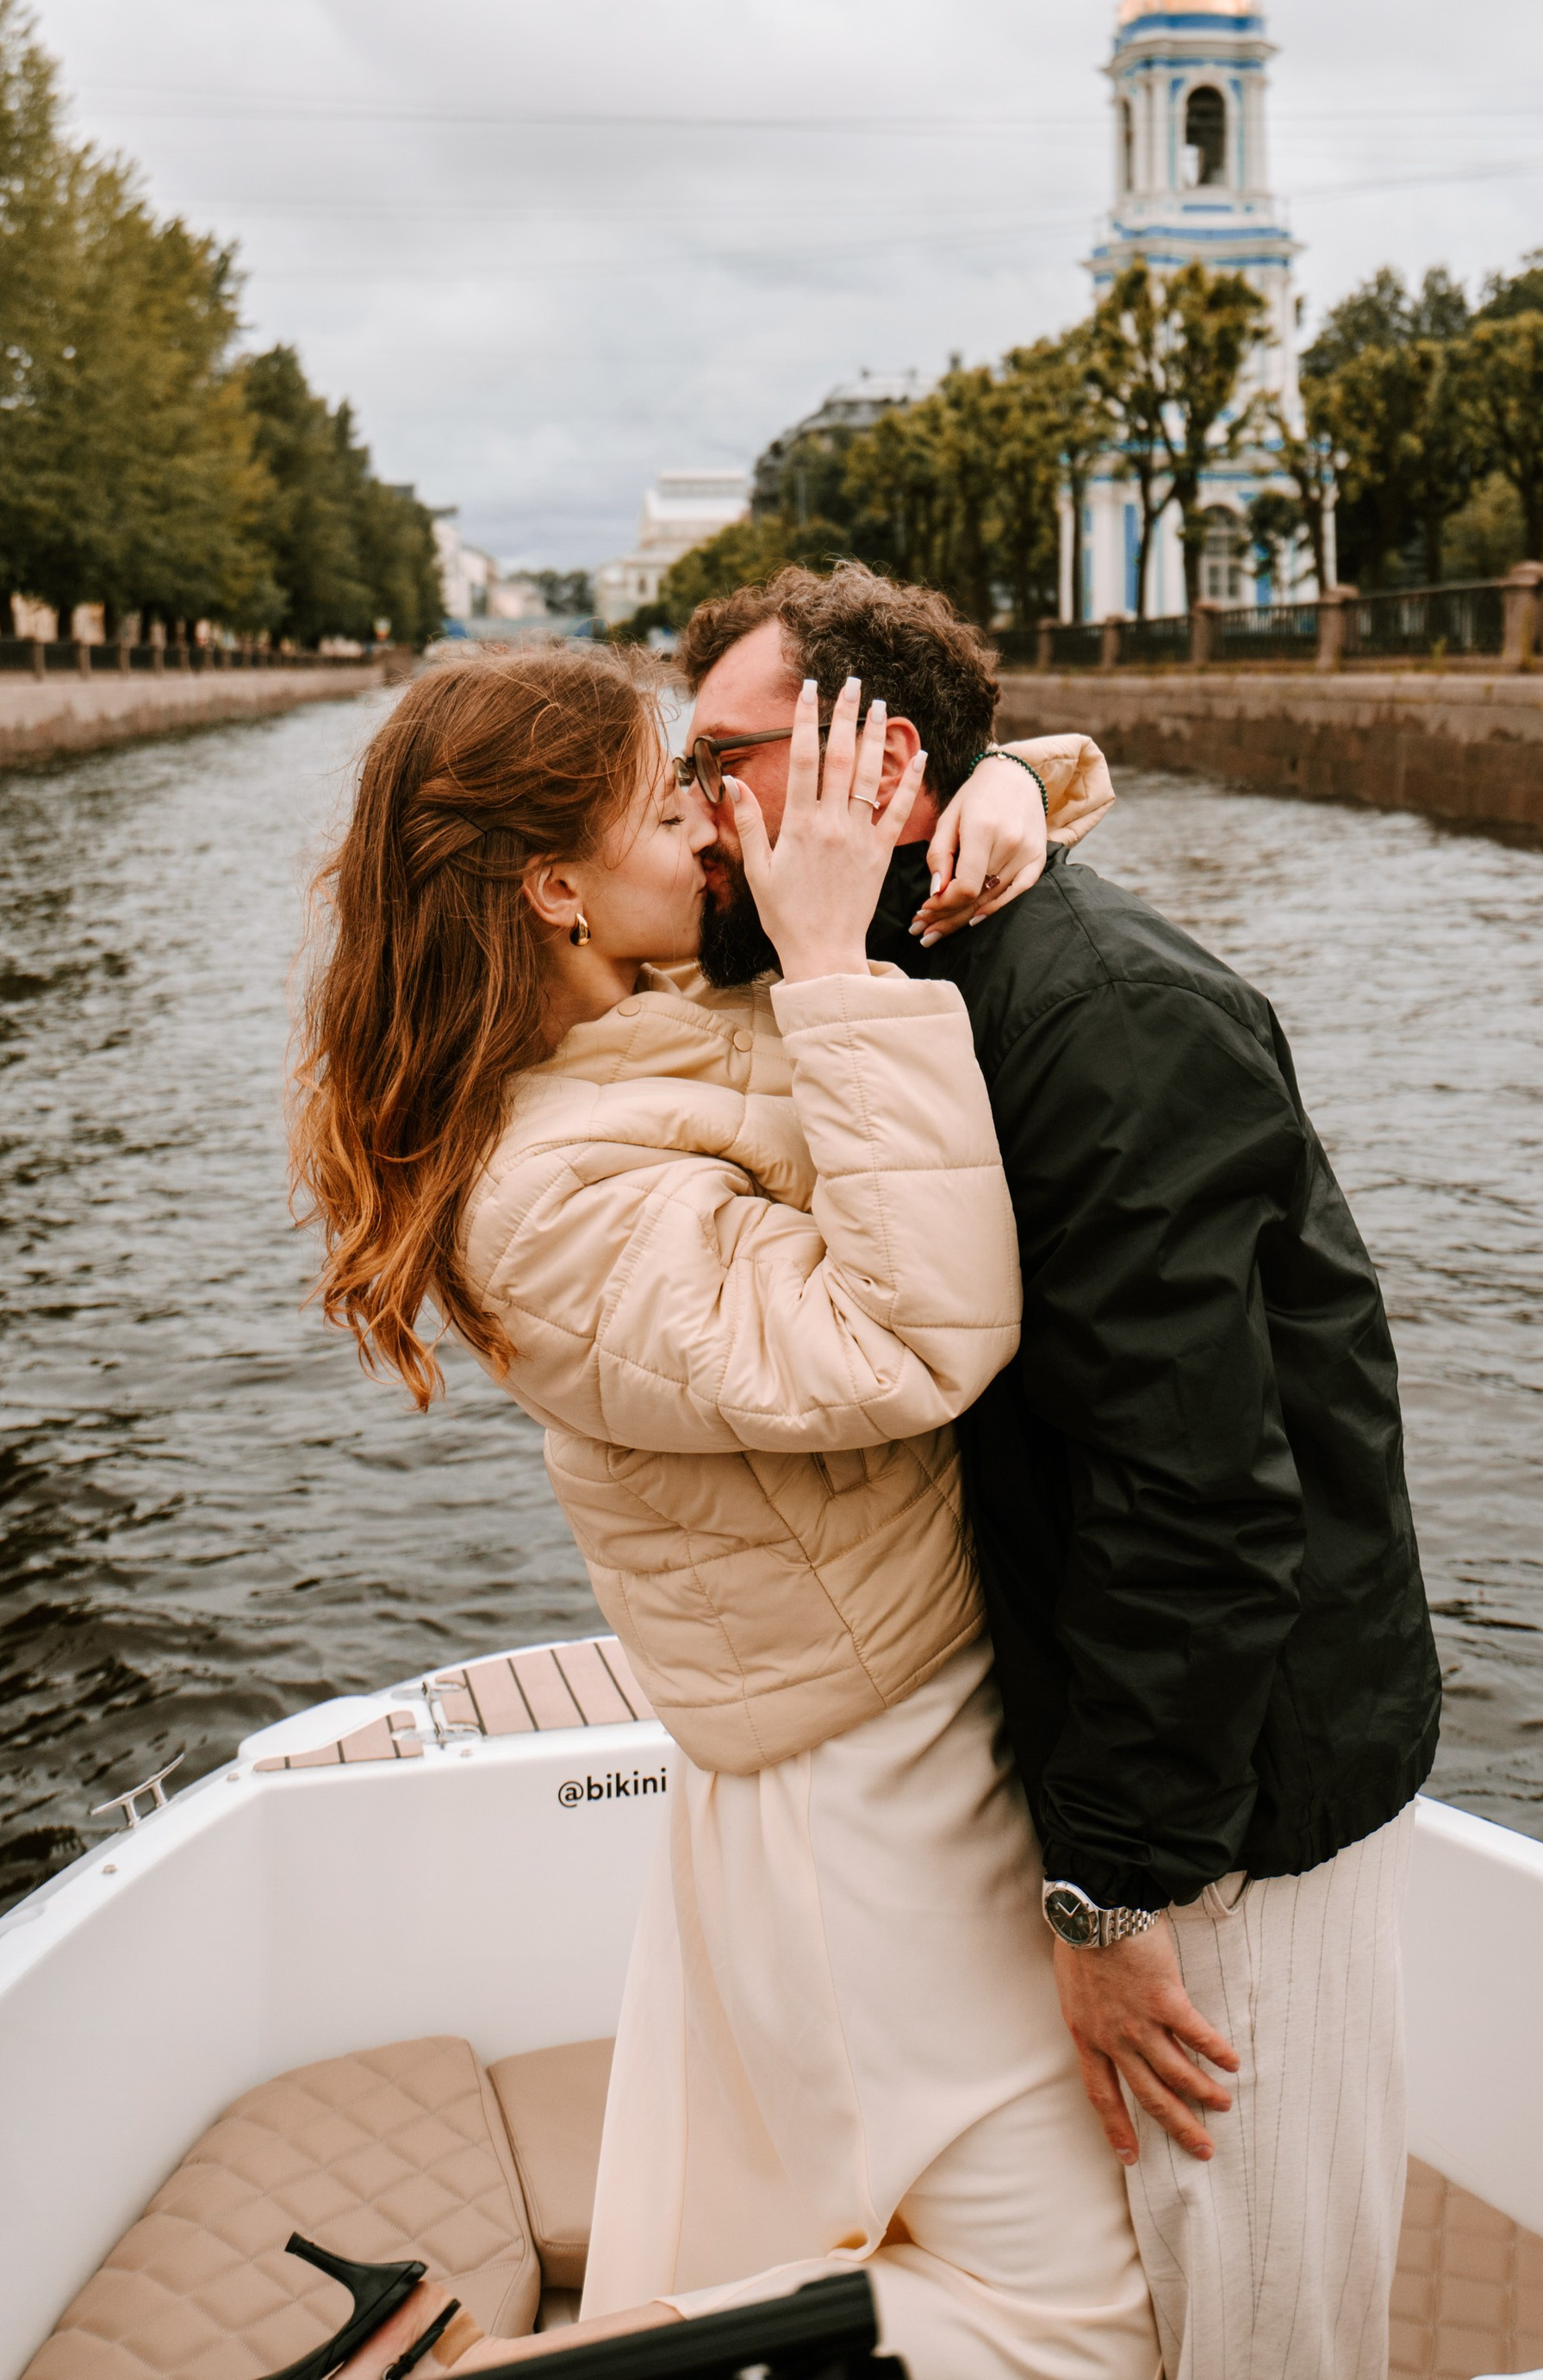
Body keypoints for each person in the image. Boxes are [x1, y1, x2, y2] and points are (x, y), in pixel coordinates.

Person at [292, 645, 1155, 2380]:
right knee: (1080, 2321)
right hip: (865, 1798)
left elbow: (1017, 782)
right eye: (660, 800)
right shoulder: (544, 1199)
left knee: (833, 2232)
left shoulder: (665, 1007)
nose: (708, 823)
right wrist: (836, 965)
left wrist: (992, 792)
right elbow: (907, 1343)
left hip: (913, 1722)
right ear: (553, 889)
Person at [675, 569, 1443, 2380]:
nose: (692, 808)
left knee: (1254, 2306)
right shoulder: (914, 969)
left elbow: (1197, 1499)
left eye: (720, 759)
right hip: (1148, 1777)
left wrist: (1120, 1896)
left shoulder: (1097, 1020)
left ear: (880, 767)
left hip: (1235, 1819)